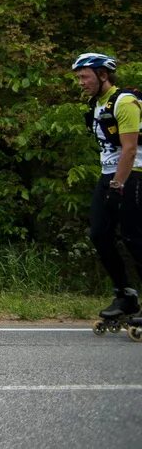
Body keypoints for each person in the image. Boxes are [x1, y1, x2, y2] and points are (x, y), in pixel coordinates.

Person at [71, 53, 142, 333]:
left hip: (133, 175)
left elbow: (129, 149)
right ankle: (126, 295)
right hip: (108, 175)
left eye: (84, 76)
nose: (80, 82)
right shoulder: (97, 103)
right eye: (78, 77)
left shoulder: (124, 102)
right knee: (99, 234)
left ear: (103, 75)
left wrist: (118, 184)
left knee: (134, 238)